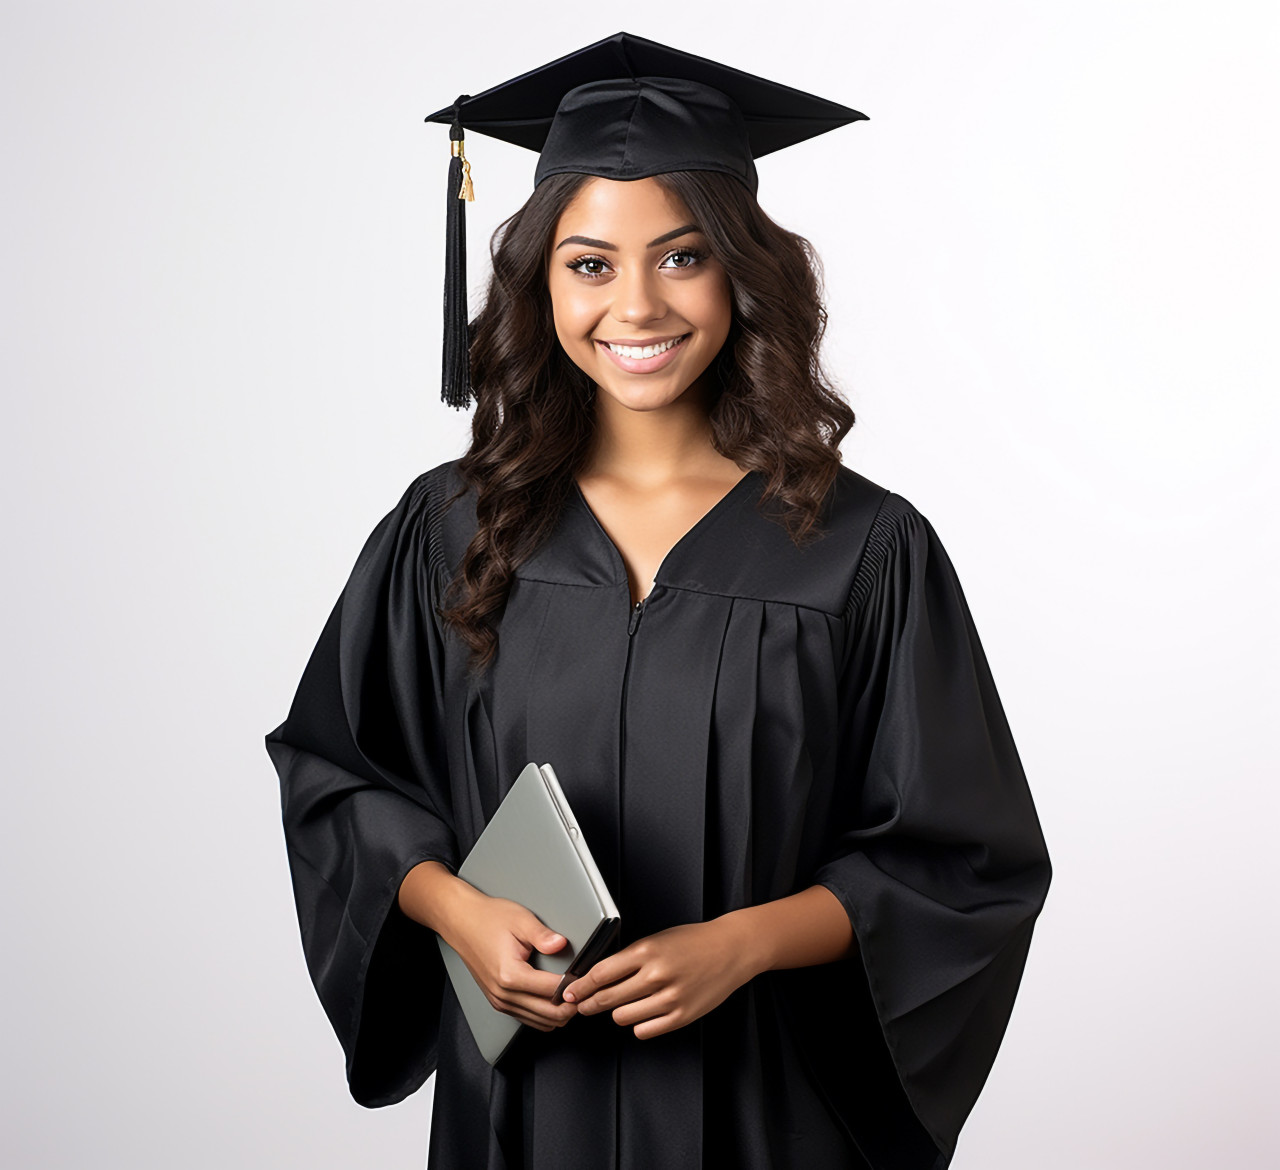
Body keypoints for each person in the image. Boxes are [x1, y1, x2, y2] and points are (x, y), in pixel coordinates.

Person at [264, 32, 1053, 1170]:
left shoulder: (862, 552)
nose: (635, 305)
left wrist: (745, 943)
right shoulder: (450, 529)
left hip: (764, 1109)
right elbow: (338, 775)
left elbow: (960, 858)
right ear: (540, 282)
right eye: (589, 264)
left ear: (743, 272)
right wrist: (455, 910)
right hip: (522, 1111)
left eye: (682, 257)